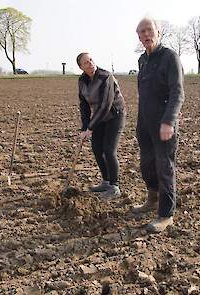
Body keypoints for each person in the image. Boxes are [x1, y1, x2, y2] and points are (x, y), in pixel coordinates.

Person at [132, 16, 185, 232]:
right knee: (147, 164)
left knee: (165, 168)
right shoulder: (142, 60)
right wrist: (140, 123)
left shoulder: (169, 57)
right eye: (141, 32)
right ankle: (152, 199)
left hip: (164, 124)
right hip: (144, 123)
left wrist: (169, 121)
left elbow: (177, 92)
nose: (145, 35)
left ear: (158, 32)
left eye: (148, 30)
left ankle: (165, 214)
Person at [76, 52, 126, 198]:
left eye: (91, 60)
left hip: (114, 115)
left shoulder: (105, 77)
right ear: (81, 67)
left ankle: (114, 187)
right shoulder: (82, 81)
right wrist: (85, 127)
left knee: (108, 150)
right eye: (86, 62)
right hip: (99, 117)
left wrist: (90, 127)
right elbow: (84, 105)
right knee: (97, 148)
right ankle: (106, 181)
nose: (90, 63)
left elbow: (105, 105)